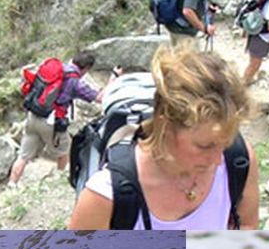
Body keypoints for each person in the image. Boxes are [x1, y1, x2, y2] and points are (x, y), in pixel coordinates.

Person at [68, 47, 259, 230]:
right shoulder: (106, 196)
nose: (218, 160)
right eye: (204, 146)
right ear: (164, 125)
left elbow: (246, 225)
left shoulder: (239, 160)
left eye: (225, 143)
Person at [8, 53, 120, 185]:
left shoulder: (56, 69)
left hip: (33, 115)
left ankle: (12, 184)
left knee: (23, 156)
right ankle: (59, 180)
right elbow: (100, 97)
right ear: (86, 69)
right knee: (64, 152)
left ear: (73, 60)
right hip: (51, 123)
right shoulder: (75, 83)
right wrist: (114, 77)